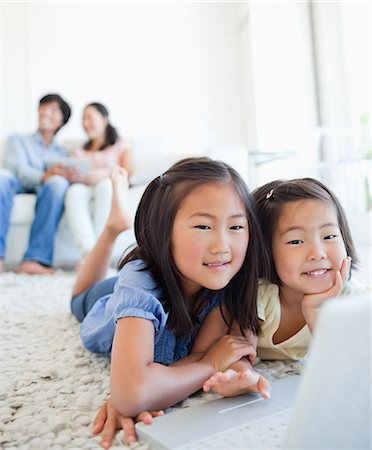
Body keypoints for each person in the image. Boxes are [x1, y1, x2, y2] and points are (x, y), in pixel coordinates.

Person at [71, 157, 271, 449]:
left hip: (171, 285)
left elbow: (230, 348)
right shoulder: (138, 285)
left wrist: (239, 372)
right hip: (109, 298)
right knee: (79, 298)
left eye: (236, 227)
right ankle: (112, 230)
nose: (222, 246)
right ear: (162, 230)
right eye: (203, 227)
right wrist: (210, 364)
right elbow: (132, 393)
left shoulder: (229, 278)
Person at [202, 177, 369, 396]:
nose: (317, 253)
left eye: (329, 236)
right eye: (295, 241)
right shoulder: (262, 294)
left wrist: (316, 309)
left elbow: (345, 365)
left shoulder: (349, 295)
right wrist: (242, 375)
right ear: (265, 251)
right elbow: (239, 348)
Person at [0, 93, 72, 274]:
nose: (46, 112)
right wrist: (44, 176)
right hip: (17, 184)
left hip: (47, 191)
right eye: (44, 107)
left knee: (57, 184)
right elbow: (18, 170)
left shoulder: (63, 153)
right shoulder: (18, 140)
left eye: (54, 110)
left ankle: (34, 260)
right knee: (2, 178)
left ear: (61, 121)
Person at [64, 102, 133, 269]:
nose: (85, 123)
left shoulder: (121, 145)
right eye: (83, 119)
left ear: (105, 119)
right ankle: (88, 252)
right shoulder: (78, 151)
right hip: (84, 186)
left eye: (90, 118)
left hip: (107, 185)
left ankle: (99, 252)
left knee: (106, 187)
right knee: (73, 192)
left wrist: (104, 175)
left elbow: (127, 172)